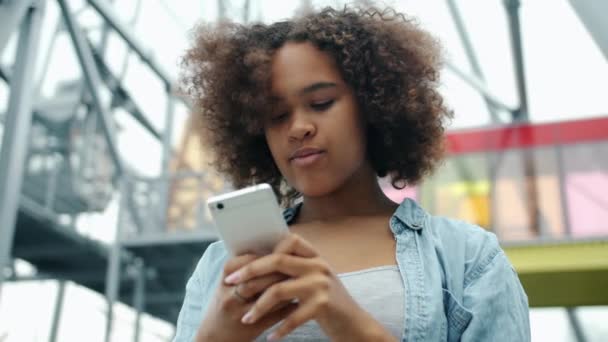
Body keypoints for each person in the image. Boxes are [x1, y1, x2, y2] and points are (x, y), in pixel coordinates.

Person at [174, 6, 530, 342]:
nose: (297, 128)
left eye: (321, 103)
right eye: (277, 115)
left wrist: (350, 323)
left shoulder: (468, 257)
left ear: (374, 107)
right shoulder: (219, 266)